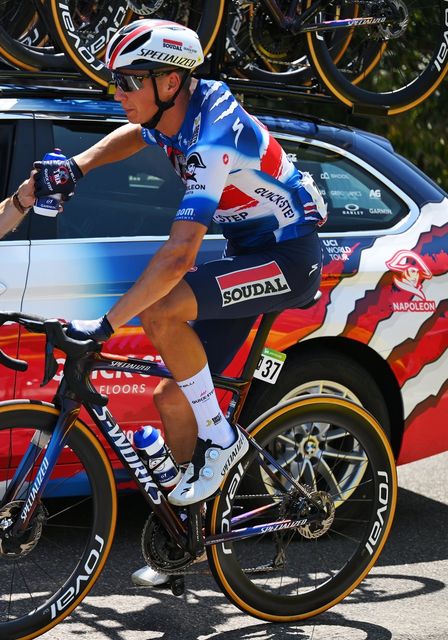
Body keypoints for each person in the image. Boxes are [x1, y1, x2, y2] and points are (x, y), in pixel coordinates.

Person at [33, 20, 327, 586]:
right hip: (250, 251)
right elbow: (135, 135)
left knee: (162, 309)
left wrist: (104, 326)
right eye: (115, 81)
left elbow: (178, 256)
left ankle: (222, 439)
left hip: (288, 258)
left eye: (128, 81)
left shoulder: (212, 136)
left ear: (169, 81)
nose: (117, 92)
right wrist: (80, 165)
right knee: (172, 399)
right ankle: (184, 539)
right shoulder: (172, 112)